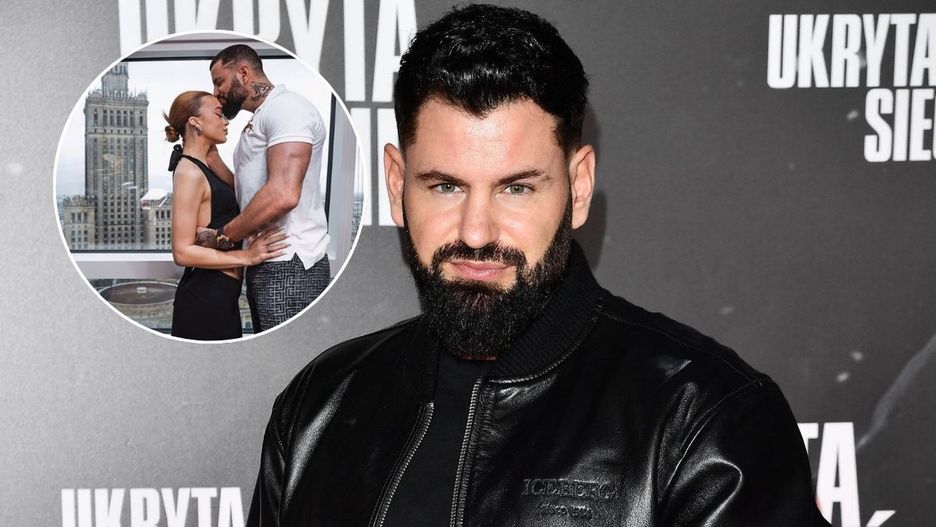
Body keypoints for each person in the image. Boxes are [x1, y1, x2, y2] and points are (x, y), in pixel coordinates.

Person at [246, 5, 832, 526]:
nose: (476, 232)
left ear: (579, 187)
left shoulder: (706, 422)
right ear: (398, 185)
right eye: (446, 186)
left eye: (517, 188)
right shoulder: (319, 406)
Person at [196, 44, 331, 334]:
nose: (216, 92)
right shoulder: (263, 116)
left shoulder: (288, 109)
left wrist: (222, 237)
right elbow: (250, 189)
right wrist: (211, 158)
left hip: (289, 266)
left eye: (219, 82)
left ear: (243, 73)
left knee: (288, 355)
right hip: (268, 262)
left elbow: (283, 194)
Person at [164, 91, 287, 341]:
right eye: (218, 114)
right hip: (204, 301)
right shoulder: (188, 172)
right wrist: (247, 256)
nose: (225, 121)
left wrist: (214, 156)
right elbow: (182, 252)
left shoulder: (203, 167)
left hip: (220, 297)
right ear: (195, 122)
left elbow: (241, 199)